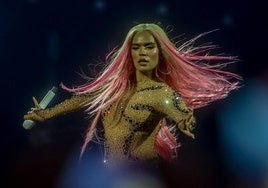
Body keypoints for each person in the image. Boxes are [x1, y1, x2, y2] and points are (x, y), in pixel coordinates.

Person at [24, 23, 241, 167]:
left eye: (149, 46)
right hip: (109, 174)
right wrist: (47, 114)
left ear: (160, 52)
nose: (142, 53)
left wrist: (187, 121)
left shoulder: (162, 94)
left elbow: (181, 113)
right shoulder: (114, 90)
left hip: (142, 175)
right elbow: (81, 100)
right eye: (136, 47)